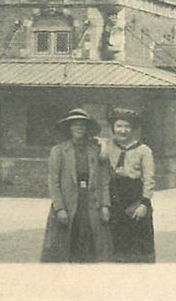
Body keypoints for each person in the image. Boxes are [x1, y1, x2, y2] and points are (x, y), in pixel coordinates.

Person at [41, 108, 112, 263]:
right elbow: (53, 182)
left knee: (90, 246)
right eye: (75, 124)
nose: (79, 128)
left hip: (91, 204)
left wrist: (105, 205)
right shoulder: (59, 151)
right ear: (69, 128)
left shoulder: (96, 150)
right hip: (68, 205)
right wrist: (59, 208)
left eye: (83, 124)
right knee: (64, 248)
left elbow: (104, 180)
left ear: (87, 128)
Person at [99, 107, 155, 263]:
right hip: (114, 199)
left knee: (138, 245)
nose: (123, 130)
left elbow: (149, 179)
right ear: (113, 128)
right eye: (119, 126)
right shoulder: (107, 147)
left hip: (135, 200)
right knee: (115, 244)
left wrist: (144, 204)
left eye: (127, 127)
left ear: (133, 129)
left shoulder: (144, 150)